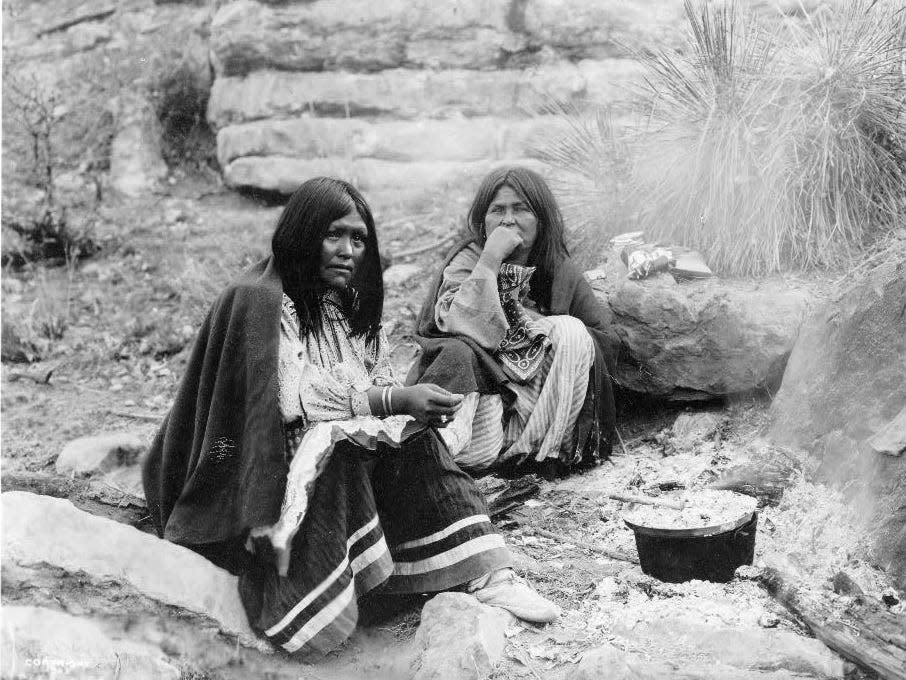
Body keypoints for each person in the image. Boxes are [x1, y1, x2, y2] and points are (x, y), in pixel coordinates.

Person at [142, 177, 559, 658]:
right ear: (302, 235)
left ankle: (486, 571)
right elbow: (294, 399)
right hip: (250, 479)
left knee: (414, 440)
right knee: (338, 448)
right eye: (333, 235)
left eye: (358, 239)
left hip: (321, 449)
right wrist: (394, 401)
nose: (347, 251)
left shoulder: (344, 305)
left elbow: (372, 380)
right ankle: (328, 591)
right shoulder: (260, 300)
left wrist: (404, 413)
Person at [409, 166, 616, 479]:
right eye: (497, 210)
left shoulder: (557, 270)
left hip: (536, 411)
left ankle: (539, 454)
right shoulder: (468, 260)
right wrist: (490, 260)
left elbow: (604, 341)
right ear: (483, 222)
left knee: (572, 332)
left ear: (541, 220)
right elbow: (456, 322)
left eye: (520, 209)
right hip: (481, 401)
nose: (508, 219)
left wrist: (539, 327)